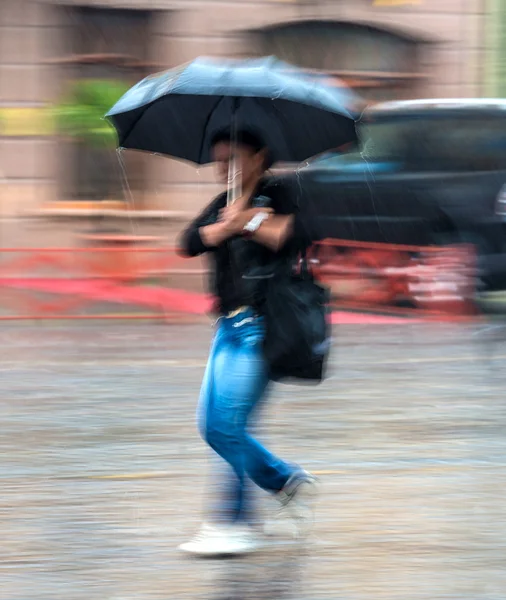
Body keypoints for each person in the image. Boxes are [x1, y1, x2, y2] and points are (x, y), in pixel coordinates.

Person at [177, 128, 318, 556]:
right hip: (228, 329)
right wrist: (218, 230)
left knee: (227, 426)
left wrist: (249, 221)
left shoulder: (282, 192)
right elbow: (186, 243)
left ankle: (233, 522)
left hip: (263, 329)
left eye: (232, 159)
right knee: (213, 426)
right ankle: (285, 482)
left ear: (259, 157)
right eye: (219, 161)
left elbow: (290, 235)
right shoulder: (222, 202)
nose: (224, 169)